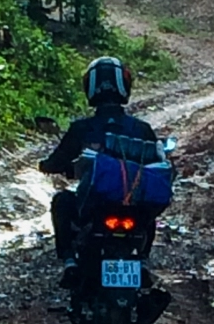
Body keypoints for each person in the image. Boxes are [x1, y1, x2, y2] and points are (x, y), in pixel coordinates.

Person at [40, 56, 158, 287]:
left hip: (92, 205)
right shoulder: (141, 129)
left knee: (62, 201)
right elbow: (157, 163)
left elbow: (56, 161)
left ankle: (69, 262)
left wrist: (48, 165)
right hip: (132, 205)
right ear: (125, 86)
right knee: (148, 212)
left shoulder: (81, 128)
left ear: (90, 88)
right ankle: (142, 261)